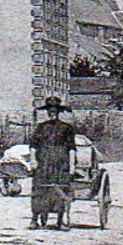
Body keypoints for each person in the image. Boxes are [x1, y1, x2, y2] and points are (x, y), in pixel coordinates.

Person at [29, 95, 76, 229]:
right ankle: (34, 219)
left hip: (61, 161)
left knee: (61, 188)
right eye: (50, 110)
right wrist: (33, 160)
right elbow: (33, 145)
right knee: (39, 188)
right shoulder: (41, 127)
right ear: (47, 111)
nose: (52, 112)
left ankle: (60, 221)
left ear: (59, 112)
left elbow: (72, 147)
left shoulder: (67, 128)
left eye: (55, 110)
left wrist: (72, 165)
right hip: (43, 160)